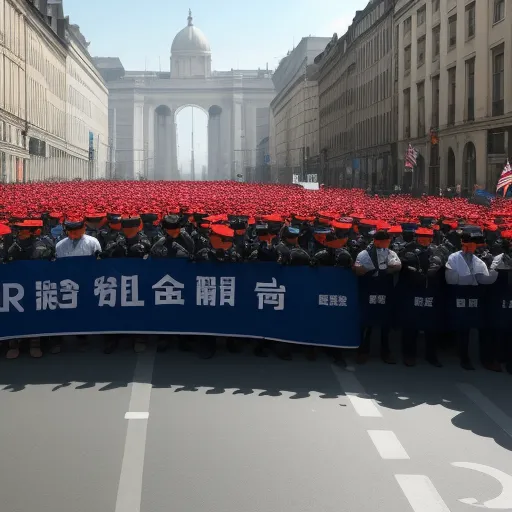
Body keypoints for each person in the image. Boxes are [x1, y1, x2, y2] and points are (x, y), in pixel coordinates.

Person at [445, 230, 498, 370]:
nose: (468, 248)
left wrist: (494, 272)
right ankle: (463, 357)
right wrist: (472, 278)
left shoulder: (479, 261)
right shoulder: (453, 257)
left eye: (471, 246)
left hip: (474, 295)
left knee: (476, 325)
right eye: (466, 245)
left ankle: (482, 358)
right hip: (459, 294)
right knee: (462, 328)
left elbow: (485, 279)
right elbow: (451, 279)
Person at [6, 219, 54, 359]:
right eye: (19, 229)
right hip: (15, 287)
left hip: (36, 285)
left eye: (24, 230)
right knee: (14, 314)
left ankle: (35, 344)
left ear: (33, 232)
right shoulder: (12, 243)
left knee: (35, 314)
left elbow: (51, 263)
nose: (20, 232)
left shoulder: (44, 243)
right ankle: (14, 344)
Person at [397, 227, 444, 367]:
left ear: (431, 239)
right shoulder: (407, 250)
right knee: (411, 325)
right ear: (416, 237)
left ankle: (431, 355)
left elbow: (442, 266)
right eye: (421, 237)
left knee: (432, 325)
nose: (424, 240)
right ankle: (409, 355)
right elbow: (403, 266)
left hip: (431, 292)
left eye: (427, 237)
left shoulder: (438, 250)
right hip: (413, 291)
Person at [354, 228, 402, 364]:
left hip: (384, 289)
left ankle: (385, 352)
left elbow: (397, 265)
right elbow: (358, 269)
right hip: (368, 289)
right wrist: (370, 270)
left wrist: (384, 270)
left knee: (385, 322)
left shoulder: (390, 253)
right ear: (376, 241)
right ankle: (363, 351)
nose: (387, 244)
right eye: (384, 241)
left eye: (388, 241)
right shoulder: (364, 254)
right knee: (366, 322)